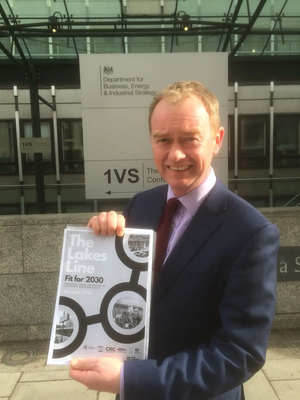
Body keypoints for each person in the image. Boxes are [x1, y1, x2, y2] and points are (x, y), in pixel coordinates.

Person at [69, 81, 280, 400]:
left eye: (190, 139)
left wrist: (131, 379)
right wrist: (101, 243)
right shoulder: (141, 204)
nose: (175, 154)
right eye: (163, 139)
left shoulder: (251, 233)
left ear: (217, 140)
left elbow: (239, 353)